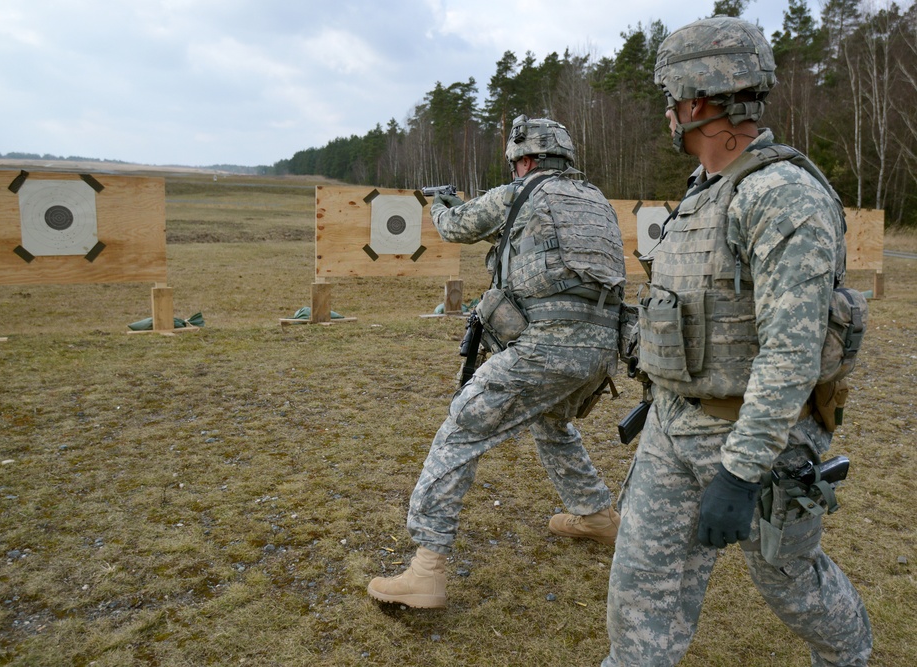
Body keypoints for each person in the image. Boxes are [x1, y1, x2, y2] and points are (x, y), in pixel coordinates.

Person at [603, 16, 872, 666]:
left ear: (696, 102)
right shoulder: (704, 193)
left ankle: (850, 656)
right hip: (672, 428)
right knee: (639, 602)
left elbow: (791, 351)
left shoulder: (782, 197)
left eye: (671, 100)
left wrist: (741, 471)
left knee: (791, 584)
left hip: (756, 446)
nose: (668, 114)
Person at [367, 115, 627, 609]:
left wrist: (444, 203)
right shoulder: (597, 203)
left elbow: (456, 228)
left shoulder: (519, 193)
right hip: (602, 352)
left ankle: (426, 569)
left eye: (516, 162)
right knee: (552, 422)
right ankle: (594, 514)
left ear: (523, 160)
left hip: (546, 347)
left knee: (463, 427)